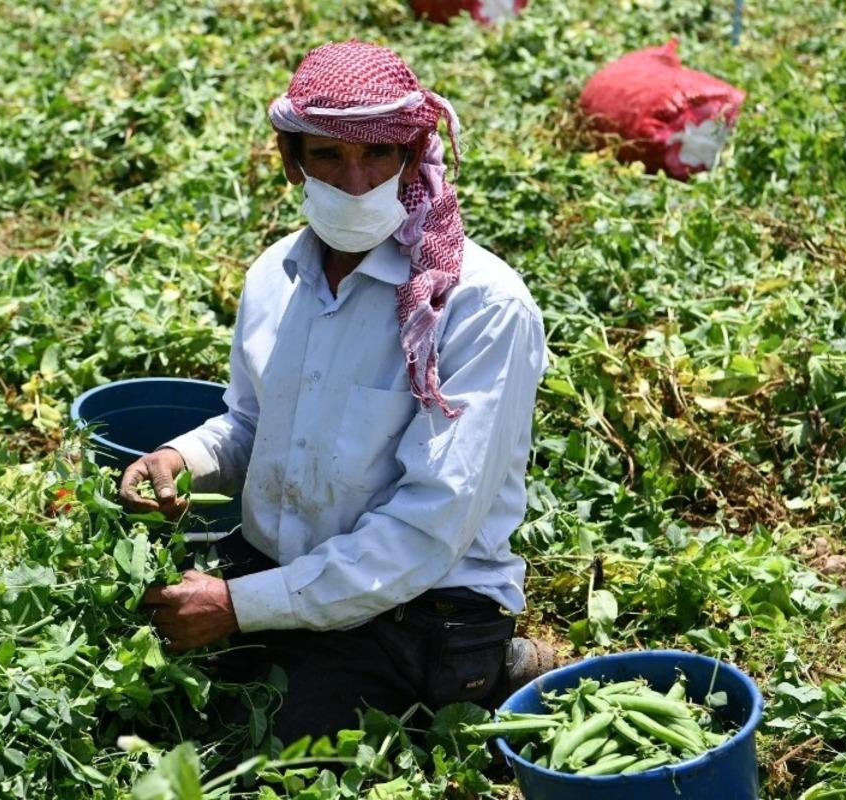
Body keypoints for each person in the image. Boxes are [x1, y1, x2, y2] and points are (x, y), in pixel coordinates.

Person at [120, 40, 555, 746]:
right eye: (328, 157)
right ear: (291, 161)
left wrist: (237, 605)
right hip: (283, 568)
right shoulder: (275, 277)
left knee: (243, 746)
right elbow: (252, 425)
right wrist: (180, 458)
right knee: (130, 673)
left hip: (420, 602)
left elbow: (425, 530)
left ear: (414, 157)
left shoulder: (478, 305)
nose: (356, 182)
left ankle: (489, 671)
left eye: (379, 155)